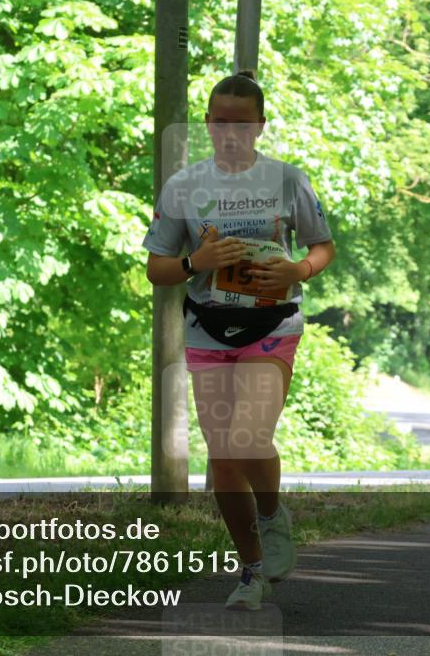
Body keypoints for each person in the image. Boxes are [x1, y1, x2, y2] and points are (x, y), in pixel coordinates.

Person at [142, 70, 335, 609]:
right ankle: (253, 570)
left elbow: (322, 246)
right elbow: (157, 269)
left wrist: (299, 271)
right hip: (208, 326)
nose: (230, 133)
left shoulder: (287, 180)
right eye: (220, 122)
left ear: (259, 127)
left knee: (248, 436)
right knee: (224, 457)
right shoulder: (183, 187)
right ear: (208, 123)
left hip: (273, 326)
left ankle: (272, 518)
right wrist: (192, 262)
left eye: (241, 124)